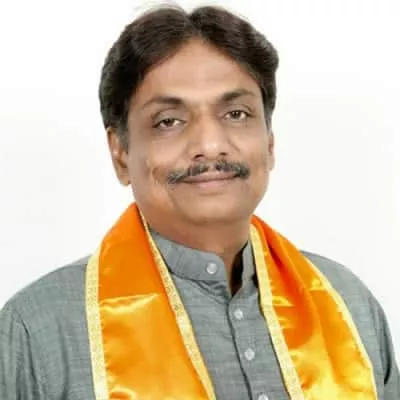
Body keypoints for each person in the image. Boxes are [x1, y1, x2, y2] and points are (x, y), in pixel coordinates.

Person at [0, 4, 399, 400]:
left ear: (269, 142)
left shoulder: (346, 303)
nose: (210, 145)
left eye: (236, 114)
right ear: (120, 154)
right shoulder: (36, 331)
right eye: (168, 121)